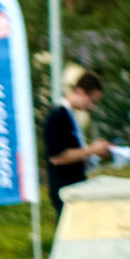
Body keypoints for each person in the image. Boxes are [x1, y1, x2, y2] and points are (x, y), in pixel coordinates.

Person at [45, 67, 113, 210]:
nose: (91, 107)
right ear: (81, 91)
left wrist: (94, 153)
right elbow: (57, 157)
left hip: (73, 187)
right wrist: (92, 150)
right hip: (65, 190)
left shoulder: (70, 116)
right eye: (92, 101)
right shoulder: (58, 116)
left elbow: (72, 153)